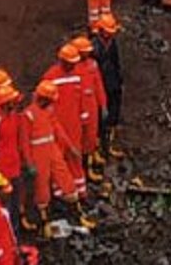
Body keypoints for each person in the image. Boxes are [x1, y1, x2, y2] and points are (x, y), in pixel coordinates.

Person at [19, 80, 79, 234]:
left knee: (64, 175)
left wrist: (69, 146)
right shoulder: (28, 115)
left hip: (51, 148)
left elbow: (57, 127)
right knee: (42, 186)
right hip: (38, 152)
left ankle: (76, 211)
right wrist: (29, 162)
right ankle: (44, 220)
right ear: (43, 98)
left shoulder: (48, 110)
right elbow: (24, 142)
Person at [43, 44, 88, 202]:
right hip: (57, 125)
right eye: (70, 62)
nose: (73, 65)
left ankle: (80, 191)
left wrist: (83, 117)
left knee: (75, 155)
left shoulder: (77, 74)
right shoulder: (51, 77)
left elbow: (81, 97)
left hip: (74, 124)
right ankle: (60, 192)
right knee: (58, 160)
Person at [91, 14, 126, 160]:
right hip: (100, 86)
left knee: (113, 115)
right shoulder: (94, 46)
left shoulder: (112, 43)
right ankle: (98, 149)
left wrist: (119, 79)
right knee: (99, 120)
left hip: (113, 83)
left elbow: (116, 62)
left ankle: (109, 145)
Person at [72, 36, 107, 180]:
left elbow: (98, 85)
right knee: (81, 140)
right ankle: (83, 170)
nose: (87, 54)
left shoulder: (92, 65)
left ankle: (91, 161)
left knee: (91, 137)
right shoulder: (73, 69)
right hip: (79, 108)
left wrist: (103, 104)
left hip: (91, 106)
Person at [0, 84, 24, 224]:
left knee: (15, 201)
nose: (15, 103)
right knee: (6, 203)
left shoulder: (15, 117)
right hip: (2, 169)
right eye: (12, 101)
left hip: (15, 166)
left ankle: (15, 232)